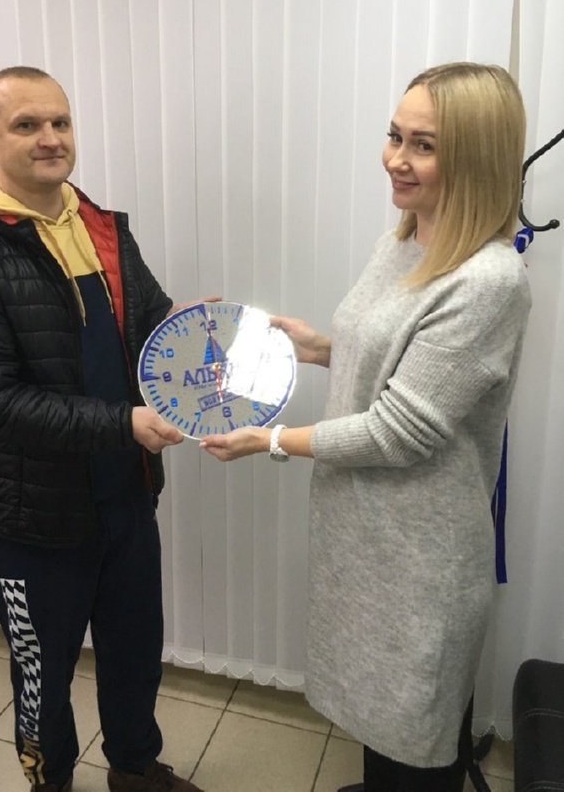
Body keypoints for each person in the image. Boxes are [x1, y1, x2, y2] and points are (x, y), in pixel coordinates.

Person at [200, 62, 531, 792]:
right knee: (381, 720)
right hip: (362, 534)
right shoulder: (404, 239)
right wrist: (319, 346)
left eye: (423, 145)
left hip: (420, 556)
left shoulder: (488, 281)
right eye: (394, 135)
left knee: (416, 731)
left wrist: (270, 440)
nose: (394, 159)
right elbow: (394, 358)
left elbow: (397, 432)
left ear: (475, 158)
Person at [0, 66, 208, 792]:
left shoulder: (99, 226)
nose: (50, 138)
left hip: (126, 497)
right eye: (27, 125)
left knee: (135, 652)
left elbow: (146, 329)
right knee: (42, 676)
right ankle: (50, 781)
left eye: (61, 122)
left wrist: (188, 330)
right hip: (35, 516)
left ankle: (135, 769)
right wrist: (125, 421)